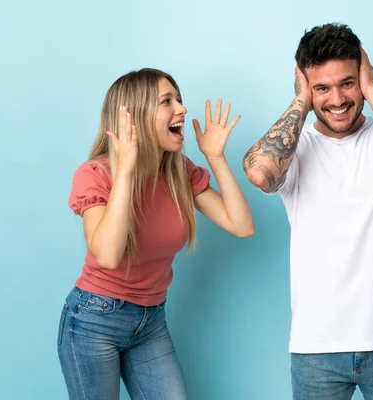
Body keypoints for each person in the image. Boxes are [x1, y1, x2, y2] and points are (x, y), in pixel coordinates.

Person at [242, 23, 373, 399]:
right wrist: (301, 101)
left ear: (362, 75)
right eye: (322, 88)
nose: (337, 99)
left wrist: (372, 90)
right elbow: (259, 173)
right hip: (317, 348)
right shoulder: (295, 149)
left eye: (347, 83)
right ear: (306, 87)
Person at [57, 67, 254, 400]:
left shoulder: (179, 172)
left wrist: (216, 157)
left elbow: (241, 225)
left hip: (150, 322)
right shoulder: (95, 175)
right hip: (94, 321)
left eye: (178, 99)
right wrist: (127, 170)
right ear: (135, 117)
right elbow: (106, 254)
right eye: (167, 101)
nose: (181, 109)